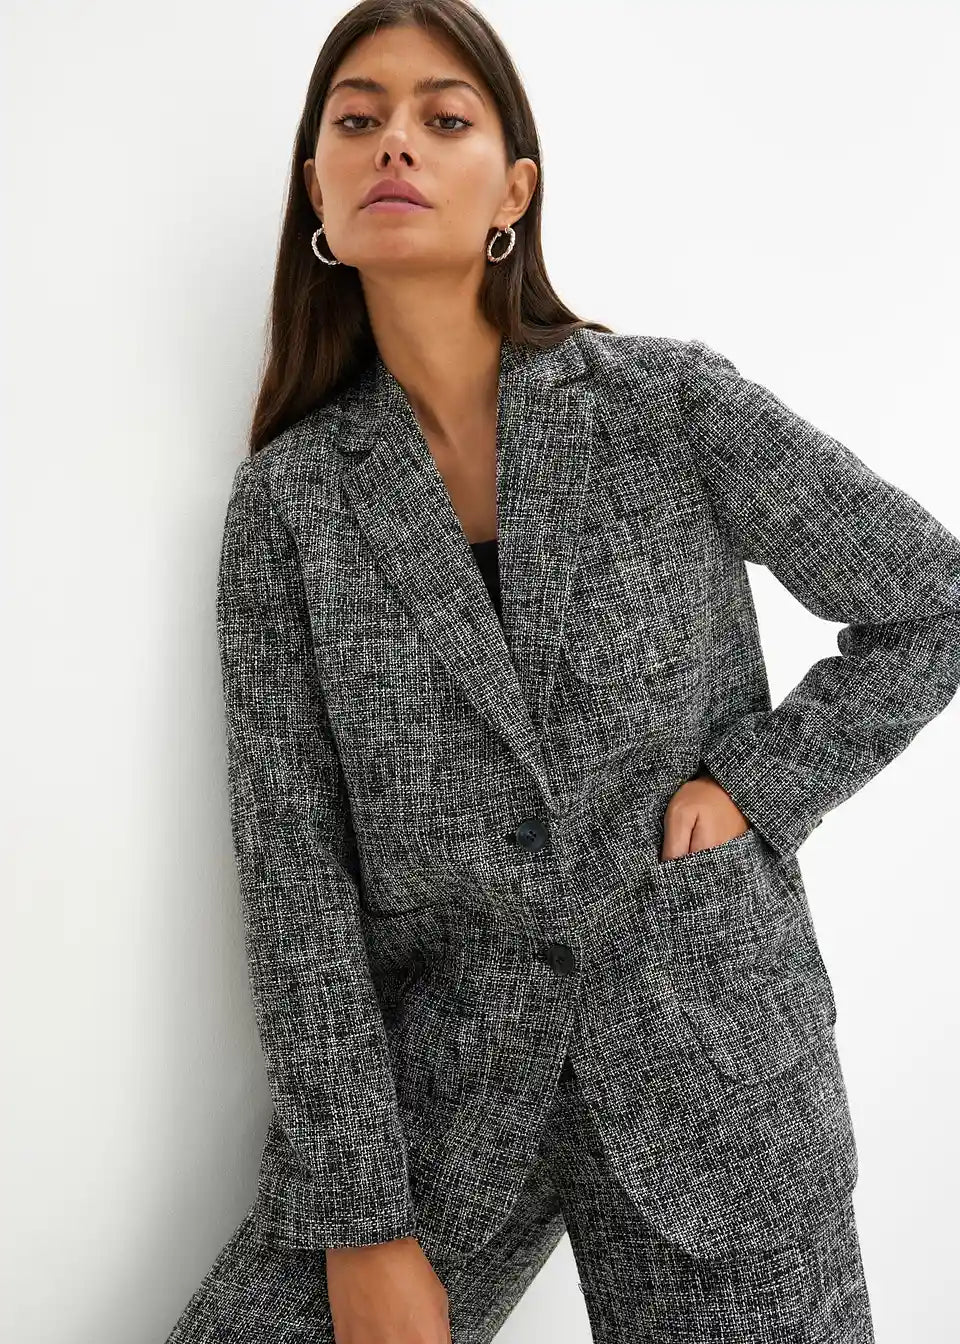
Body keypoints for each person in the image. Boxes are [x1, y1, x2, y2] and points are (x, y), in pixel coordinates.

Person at [165, 2, 960, 1341]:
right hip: (447, 1107)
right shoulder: (292, 507)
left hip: (713, 1061)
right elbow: (295, 879)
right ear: (317, 193)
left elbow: (933, 601)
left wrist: (756, 788)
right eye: (357, 120)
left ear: (513, 193)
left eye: (444, 118)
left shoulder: (666, 406)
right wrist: (359, 1217)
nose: (395, 143)